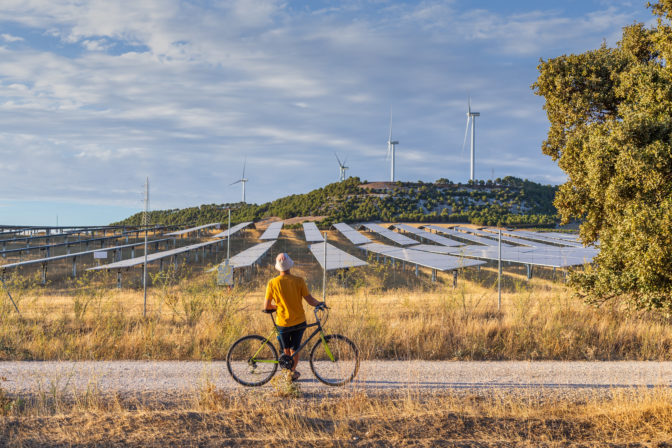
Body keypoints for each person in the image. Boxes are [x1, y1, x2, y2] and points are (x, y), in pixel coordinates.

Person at [264, 252, 322, 381]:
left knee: (286, 349)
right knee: (295, 349)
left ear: (277, 267)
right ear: (290, 265)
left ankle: (287, 373)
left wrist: (277, 307)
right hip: (299, 321)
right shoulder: (299, 281)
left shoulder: (272, 283)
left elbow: (266, 306)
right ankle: (292, 372)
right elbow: (311, 301)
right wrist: (321, 303)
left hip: (282, 322)